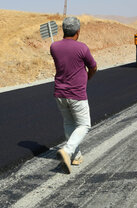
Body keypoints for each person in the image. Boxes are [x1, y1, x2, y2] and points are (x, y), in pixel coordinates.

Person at [50, 17, 97, 174]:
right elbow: (93, 66)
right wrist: (88, 77)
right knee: (84, 125)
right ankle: (68, 151)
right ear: (78, 32)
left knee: (69, 123)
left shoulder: (54, 47)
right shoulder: (82, 48)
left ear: (64, 30)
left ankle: (76, 157)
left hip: (59, 93)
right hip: (76, 93)